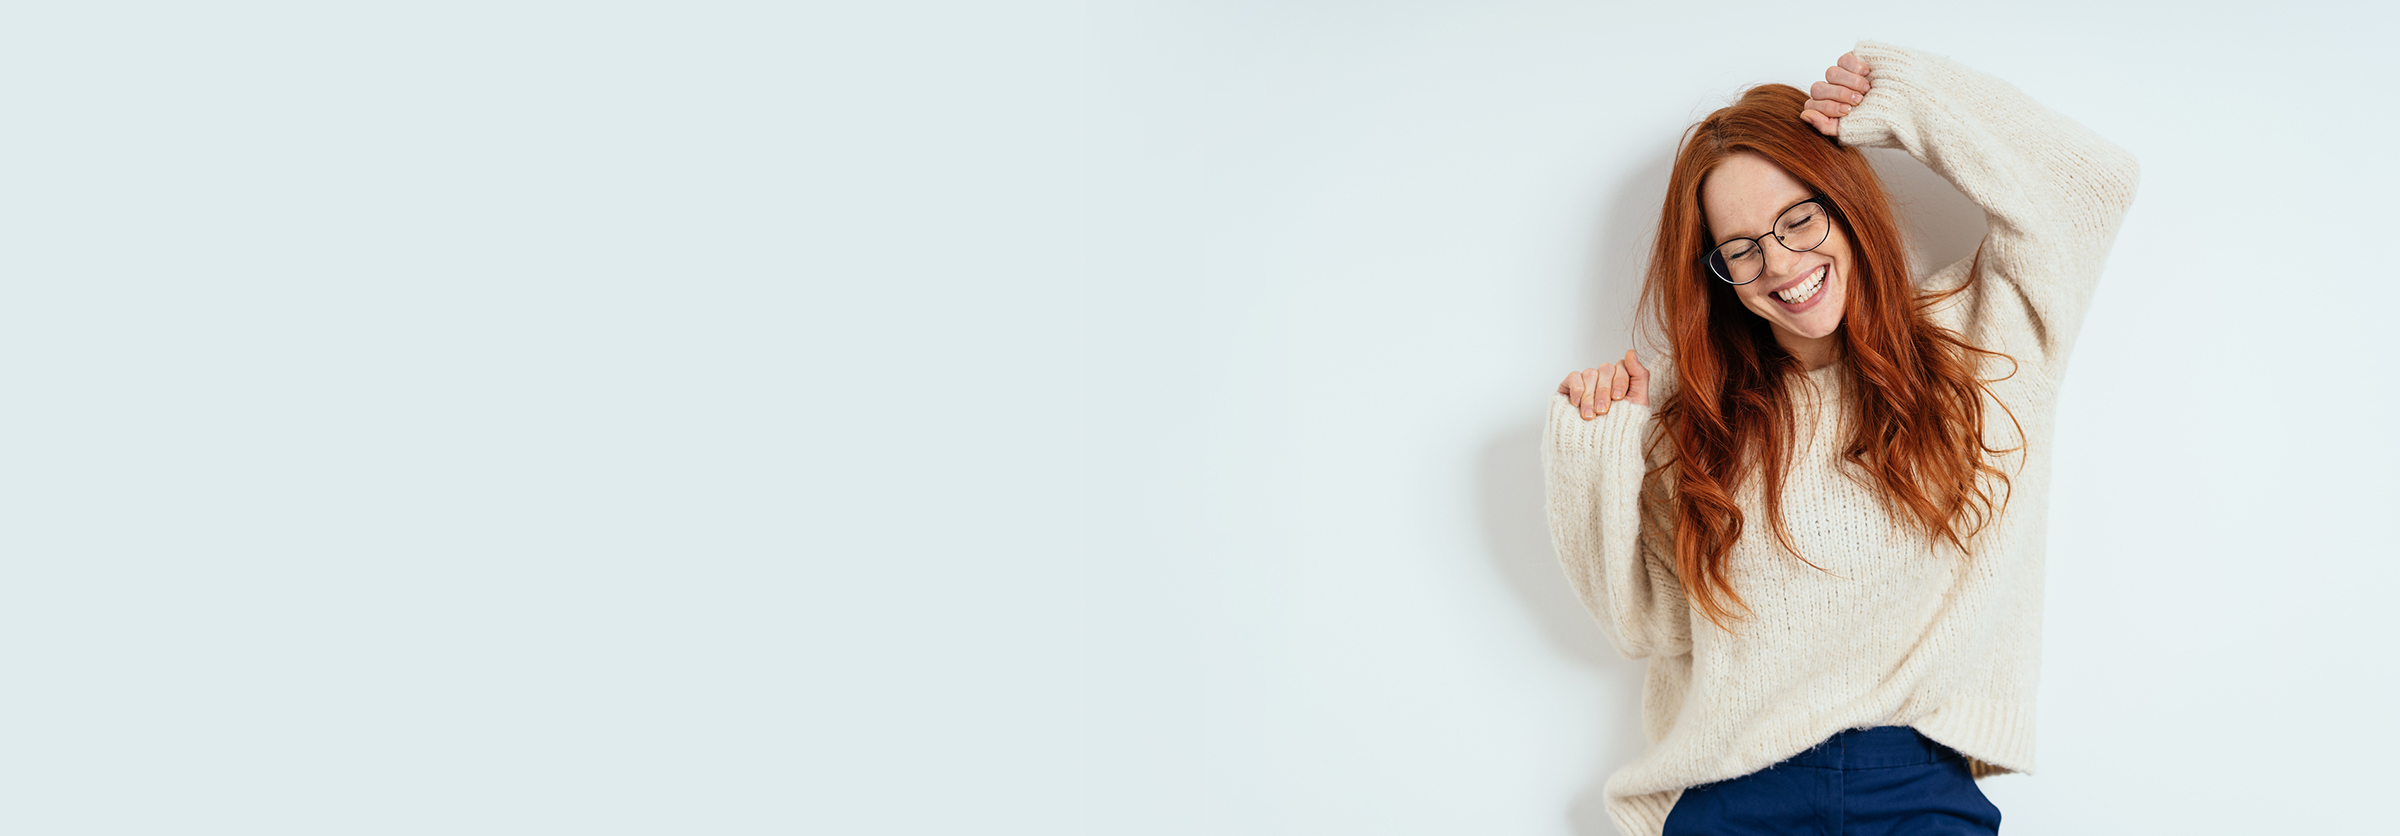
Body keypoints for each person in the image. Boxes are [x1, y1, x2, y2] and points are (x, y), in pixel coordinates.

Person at [1542, 41, 2137, 835]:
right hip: (1733, 793)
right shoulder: (1699, 413)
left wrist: (1912, 97)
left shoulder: (1983, 339)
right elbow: (1642, 626)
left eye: (1799, 218)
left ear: (1847, 206)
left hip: (1917, 786)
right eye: (1741, 250)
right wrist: (1596, 454)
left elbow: (2094, 185)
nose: (1780, 263)